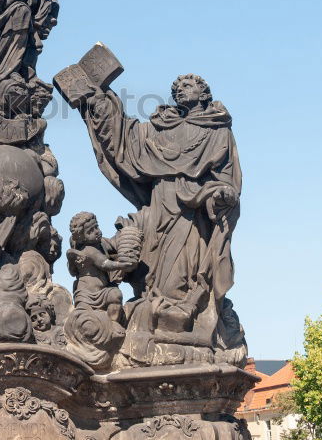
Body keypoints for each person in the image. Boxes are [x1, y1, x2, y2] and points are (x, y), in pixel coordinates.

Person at [79, 73, 243, 365]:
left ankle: (177, 324)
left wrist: (222, 195)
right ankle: (158, 323)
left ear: (204, 93)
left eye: (188, 86)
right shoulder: (162, 128)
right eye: (176, 88)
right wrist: (99, 99)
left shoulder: (218, 129)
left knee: (179, 275)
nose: (180, 91)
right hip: (159, 208)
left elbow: (228, 179)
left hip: (191, 214)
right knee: (154, 271)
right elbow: (126, 140)